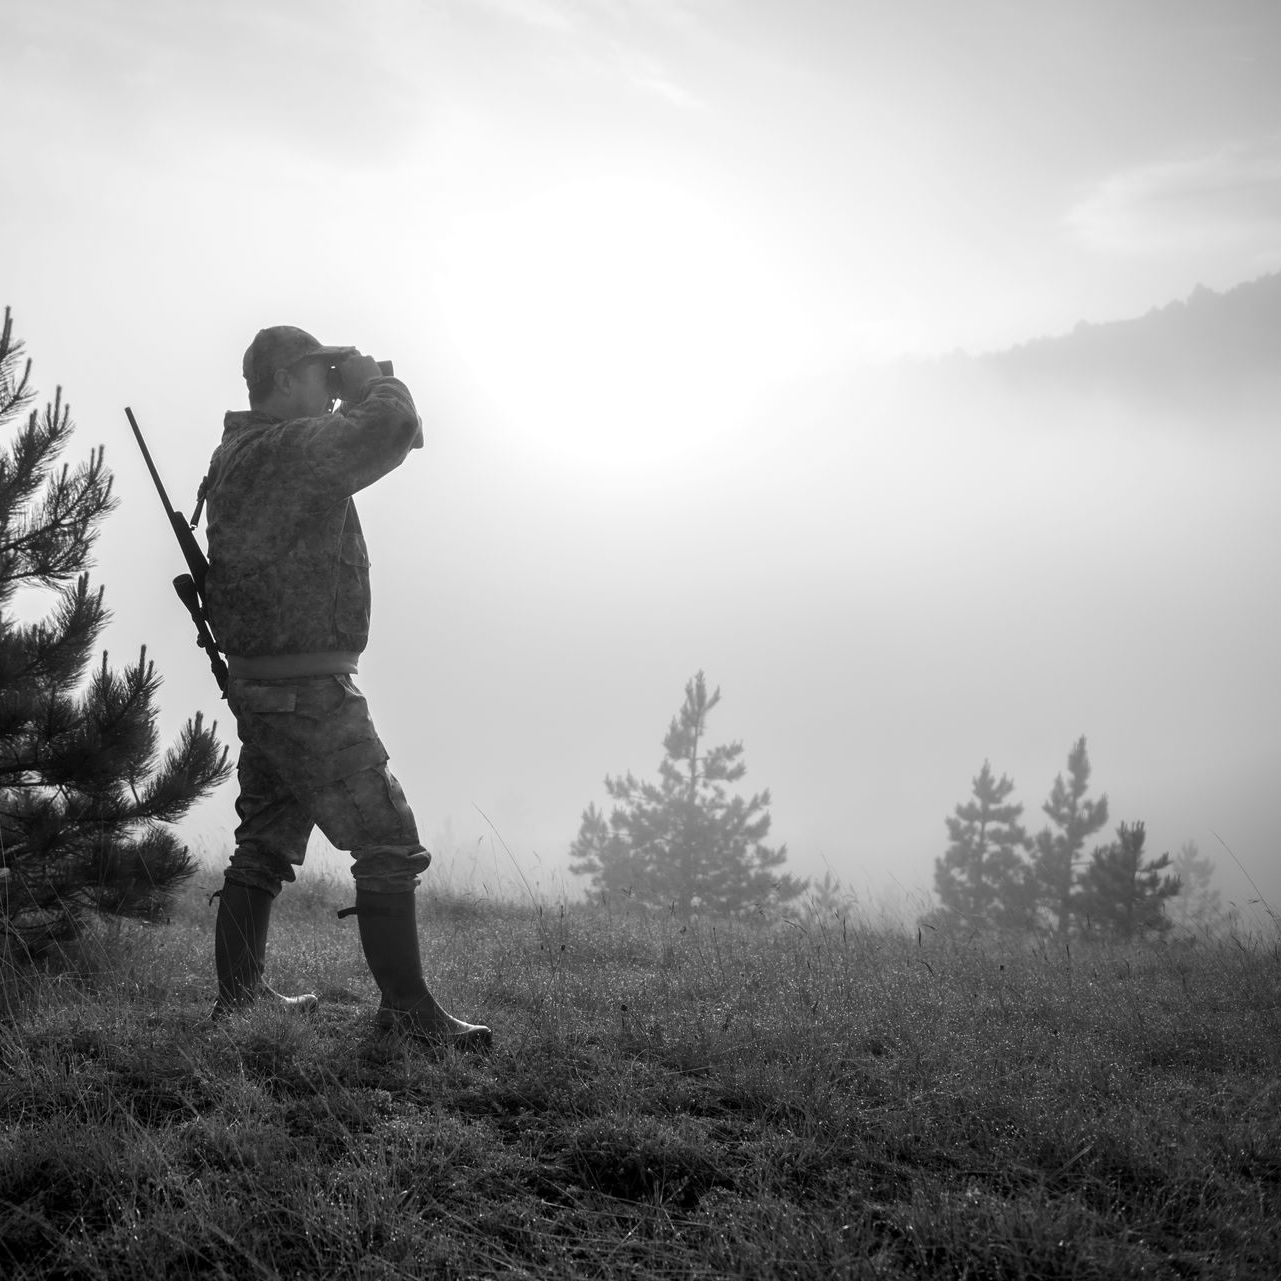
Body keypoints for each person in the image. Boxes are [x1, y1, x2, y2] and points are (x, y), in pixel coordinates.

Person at [202, 324, 490, 1050]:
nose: (326, 384)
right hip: (310, 694)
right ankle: (410, 1015)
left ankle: (239, 1002)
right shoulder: (285, 451)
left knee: (262, 844)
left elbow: (390, 437)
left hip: (268, 690)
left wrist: (364, 396)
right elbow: (387, 426)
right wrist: (369, 386)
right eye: (316, 371)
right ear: (282, 376)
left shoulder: (241, 454)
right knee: (388, 843)